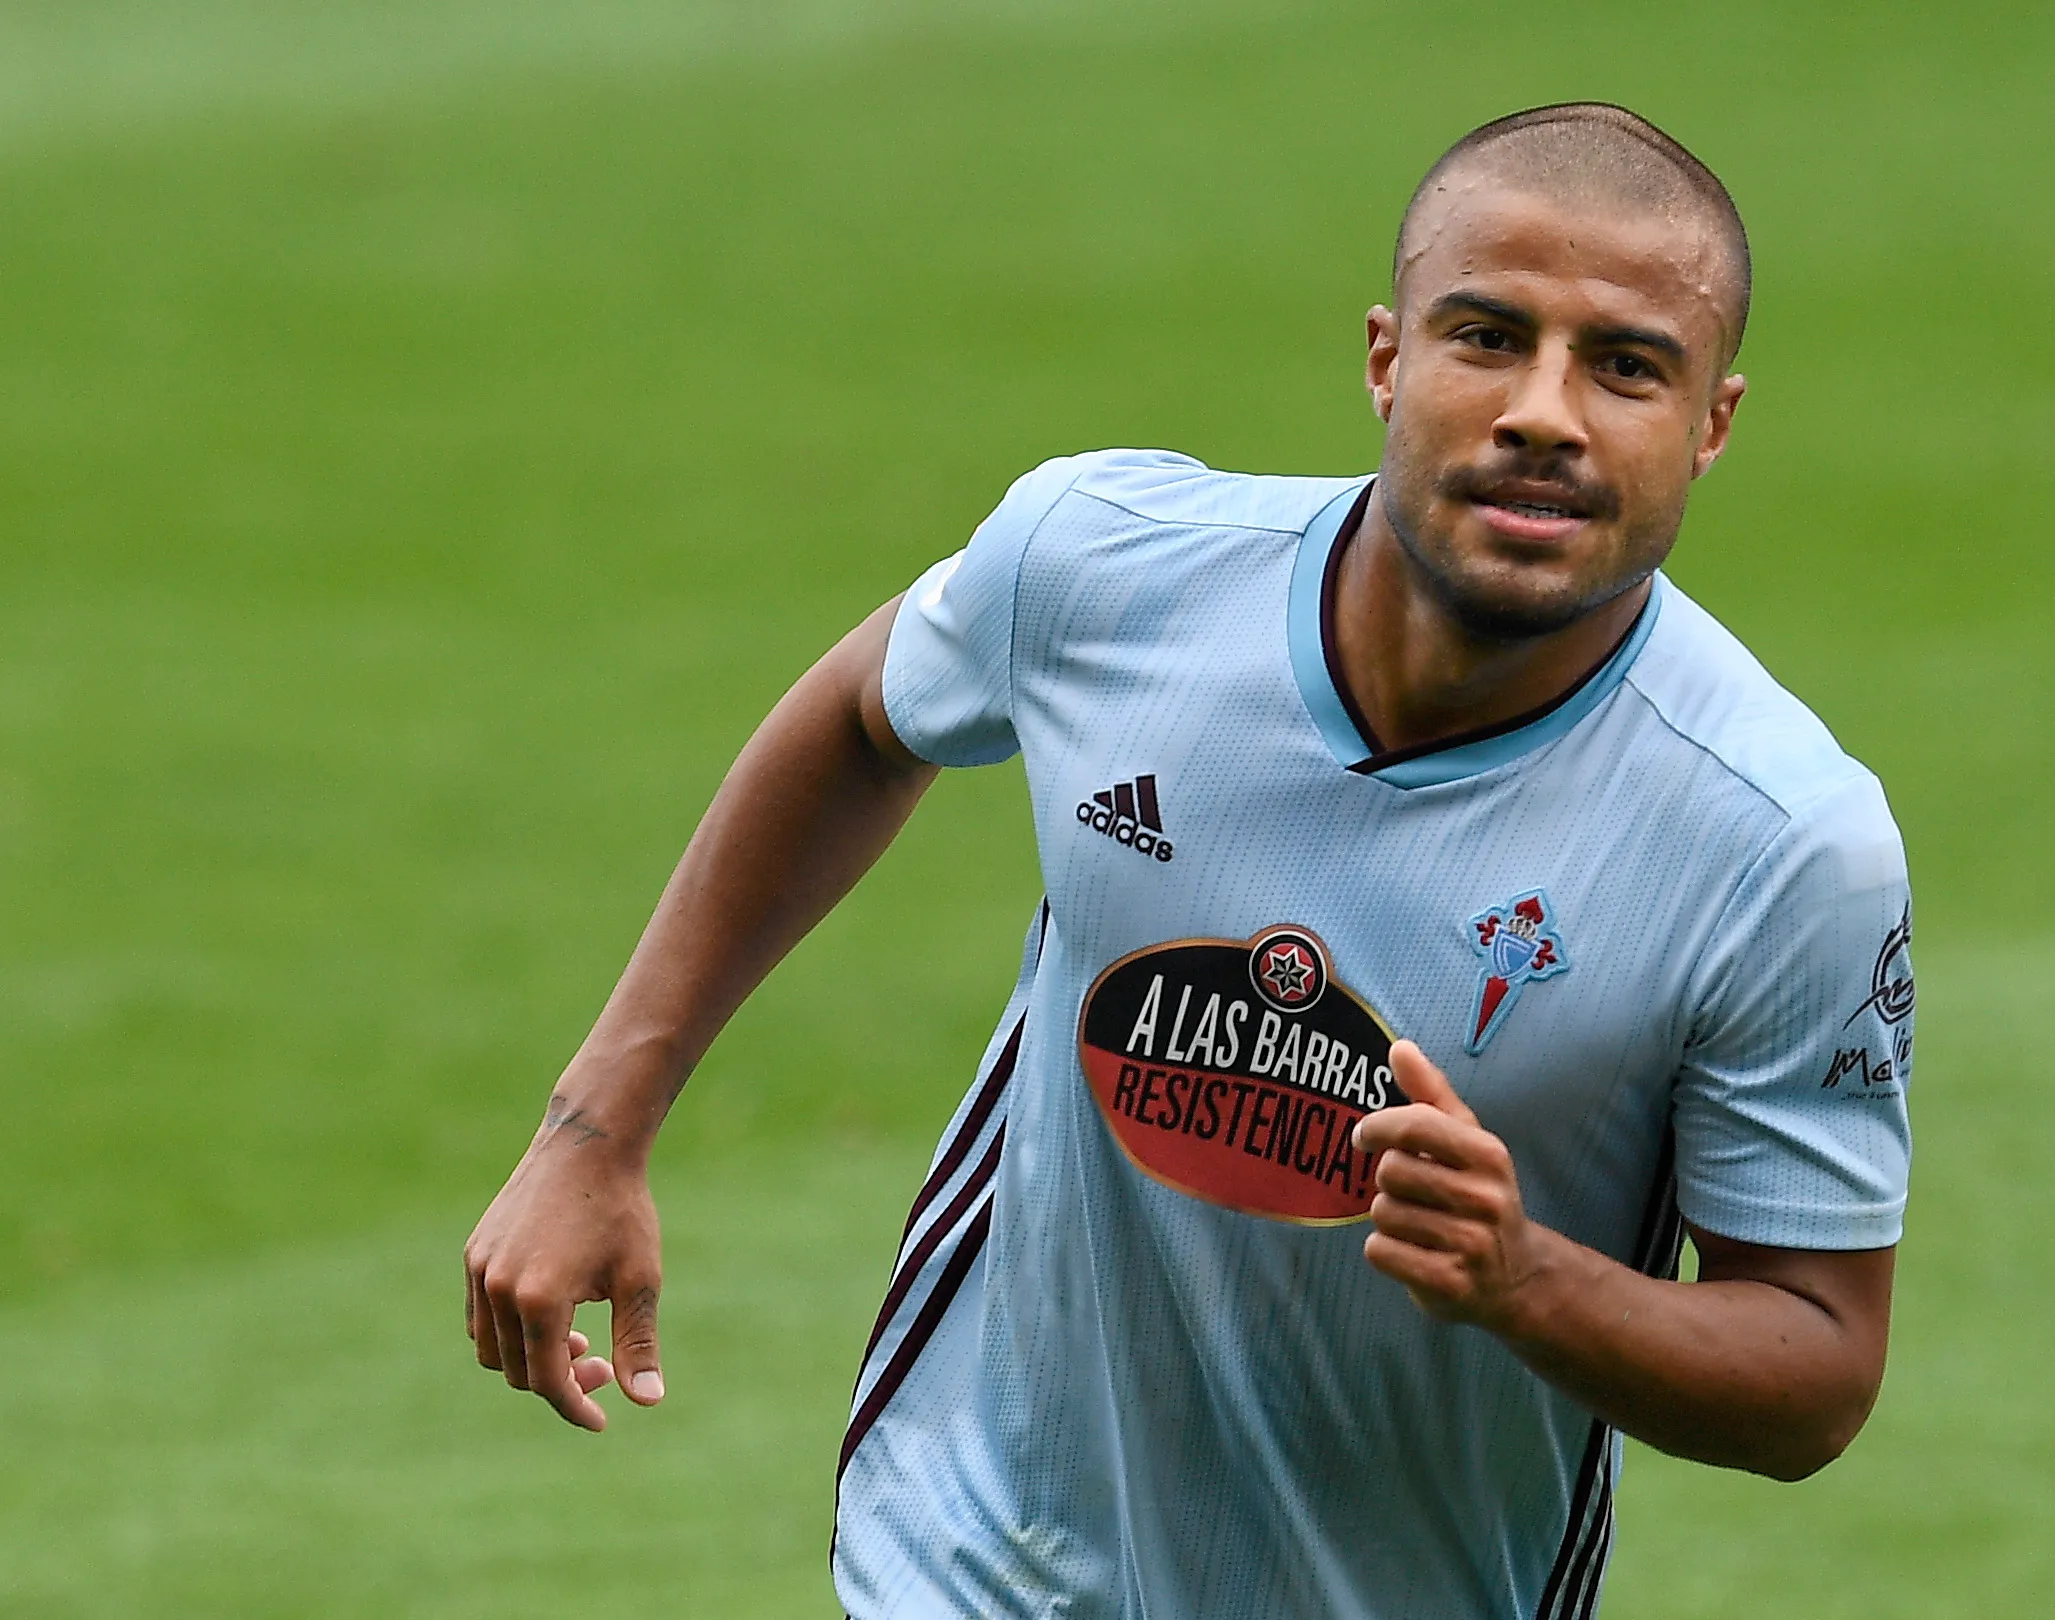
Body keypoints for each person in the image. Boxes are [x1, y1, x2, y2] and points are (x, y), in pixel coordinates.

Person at [465, 101, 1916, 1618]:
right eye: (1487, 337)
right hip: (977, 1563)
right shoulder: (1101, 566)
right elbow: (859, 717)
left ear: (1710, 425)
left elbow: (1814, 1366)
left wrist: (1524, 1279)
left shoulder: (1777, 845)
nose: (1543, 413)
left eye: (1624, 366)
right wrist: (594, 1127)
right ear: (1387, 360)